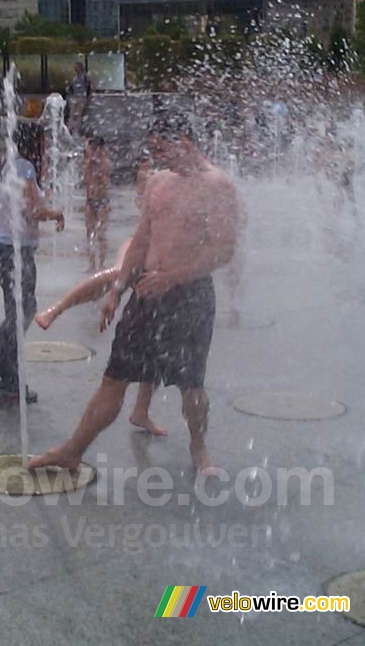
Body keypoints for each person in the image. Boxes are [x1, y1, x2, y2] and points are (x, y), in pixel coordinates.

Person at [30, 120, 240, 474]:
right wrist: (116, 289)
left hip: (189, 297)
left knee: (191, 386)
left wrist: (173, 278)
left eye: (162, 149)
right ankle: (72, 450)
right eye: (154, 151)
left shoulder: (218, 186)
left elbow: (224, 249)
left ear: (185, 141)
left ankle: (199, 450)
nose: (157, 158)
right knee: (114, 378)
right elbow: (142, 239)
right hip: (144, 292)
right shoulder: (160, 183)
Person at [0, 124, 65, 404]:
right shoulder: (24, 168)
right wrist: (56, 213)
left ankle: (9, 381)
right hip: (14, 251)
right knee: (24, 311)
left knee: (16, 311)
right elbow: (32, 210)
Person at [35, 239, 167, 436]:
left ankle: (141, 411)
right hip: (149, 239)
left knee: (156, 337)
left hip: (169, 258)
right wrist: (115, 295)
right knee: (120, 272)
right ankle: (56, 309)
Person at [83, 135, 111, 272]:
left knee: (101, 233)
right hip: (90, 201)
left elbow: (105, 181)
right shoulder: (88, 163)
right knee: (89, 232)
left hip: (102, 202)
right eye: (90, 149)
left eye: (94, 149)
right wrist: (89, 164)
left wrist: (98, 169)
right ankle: (91, 264)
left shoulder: (105, 162)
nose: (92, 152)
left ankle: (103, 263)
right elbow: (86, 180)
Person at [66, 61, 91, 136]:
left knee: (78, 114)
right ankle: (70, 129)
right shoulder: (75, 77)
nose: (75, 68)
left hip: (82, 97)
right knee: (72, 114)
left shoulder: (85, 76)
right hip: (75, 96)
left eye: (76, 67)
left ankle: (75, 130)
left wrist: (88, 95)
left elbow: (89, 86)